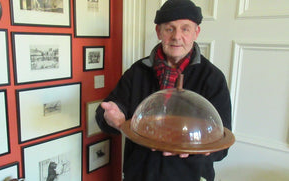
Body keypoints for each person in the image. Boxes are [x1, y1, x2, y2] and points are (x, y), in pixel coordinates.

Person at [95, 0, 232, 180]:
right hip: (140, 174)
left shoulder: (212, 78)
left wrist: (200, 152)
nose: (176, 36)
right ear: (158, 32)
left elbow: (222, 145)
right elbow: (106, 113)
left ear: (196, 33)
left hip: (190, 175)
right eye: (169, 28)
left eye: (185, 29)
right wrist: (110, 116)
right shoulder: (138, 71)